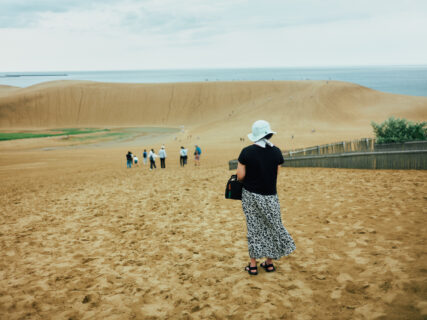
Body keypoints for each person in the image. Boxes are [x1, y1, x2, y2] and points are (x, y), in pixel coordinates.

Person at [236, 120, 296, 276]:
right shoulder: (276, 152)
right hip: (271, 195)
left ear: (255, 136)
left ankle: (253, 265)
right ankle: (269, 264)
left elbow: (240, 176)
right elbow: (276, 173)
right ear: (269, 133)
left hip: (251, 195)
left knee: (254, 228)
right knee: (272, 226)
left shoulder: (246, 152)